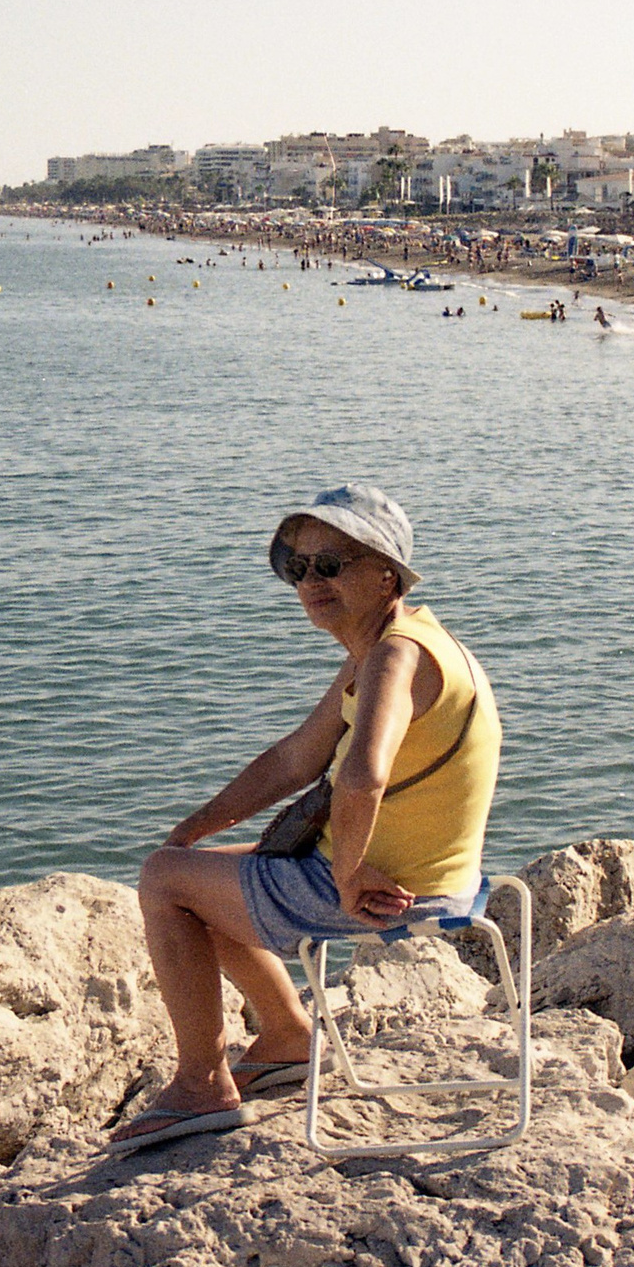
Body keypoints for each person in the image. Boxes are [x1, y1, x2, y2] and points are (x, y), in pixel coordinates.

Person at [111, 486, 500, 1153]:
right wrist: (197, 827)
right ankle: (288, 1037)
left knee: (162, 883)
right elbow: (296, 757)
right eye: (298, 567)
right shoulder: (388, 646)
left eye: (331, 564)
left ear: (387, 574)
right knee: (188, 870)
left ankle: (202, 1084)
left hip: (388, 887)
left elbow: (361, 775)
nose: (310, 581)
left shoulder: (395, 657)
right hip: (422, 873)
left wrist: (347, 873)